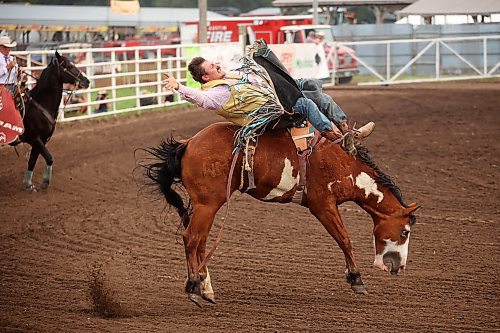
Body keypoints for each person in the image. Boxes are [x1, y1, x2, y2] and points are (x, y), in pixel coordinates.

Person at [162, 42, 373, 146]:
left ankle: (348, 131)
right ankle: (336, 137)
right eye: (211, 67)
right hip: (272, 114)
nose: (216, 65)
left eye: (213, 63)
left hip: (277, 96)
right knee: (307, 104)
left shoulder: (232, 75)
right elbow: (201, 99)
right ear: (205, 78)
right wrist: (180, 87)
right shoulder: (216, 94)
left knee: (312, 87)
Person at [0, 35, 25, 114]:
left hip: (13, 87)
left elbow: (15, 75)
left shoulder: (12, 58)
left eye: (9, 47)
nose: (8, 50)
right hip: (1, 87)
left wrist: (19, 73)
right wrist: (7, 67)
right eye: (5, 47)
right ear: (0, 47)